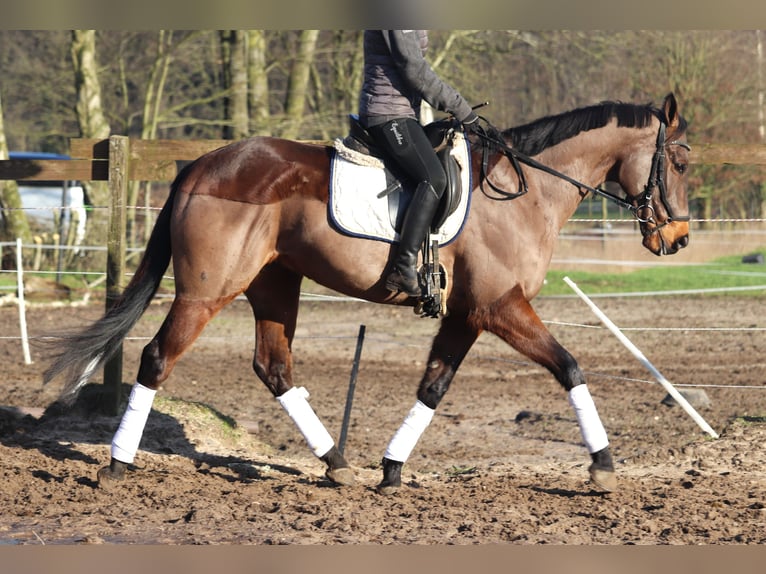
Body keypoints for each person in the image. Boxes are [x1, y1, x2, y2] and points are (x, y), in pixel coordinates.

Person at [358, 30, 479, 297]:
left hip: (403, 112)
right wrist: (459, 106)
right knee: (433, 178)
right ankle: (403, 267)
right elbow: (413, 69)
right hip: (386, 113)